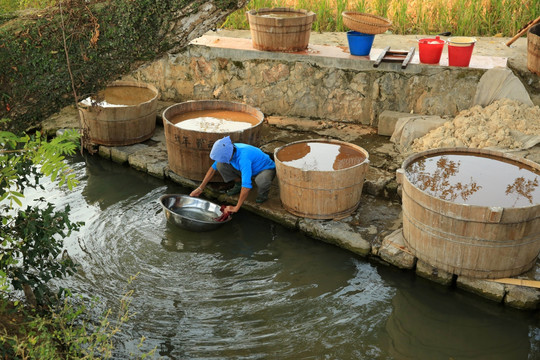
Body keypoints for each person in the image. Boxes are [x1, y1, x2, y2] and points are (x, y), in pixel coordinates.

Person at [190, 136, 276, 215]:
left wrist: (236, 207)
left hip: (265, 169)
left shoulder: (243, 158)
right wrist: (200, 188)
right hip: (249, 168)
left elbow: (246, 187)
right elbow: (212, 169)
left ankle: (263, 194)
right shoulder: (228, 150)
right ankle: (238, 184)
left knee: (262, 181)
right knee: (220, 165)